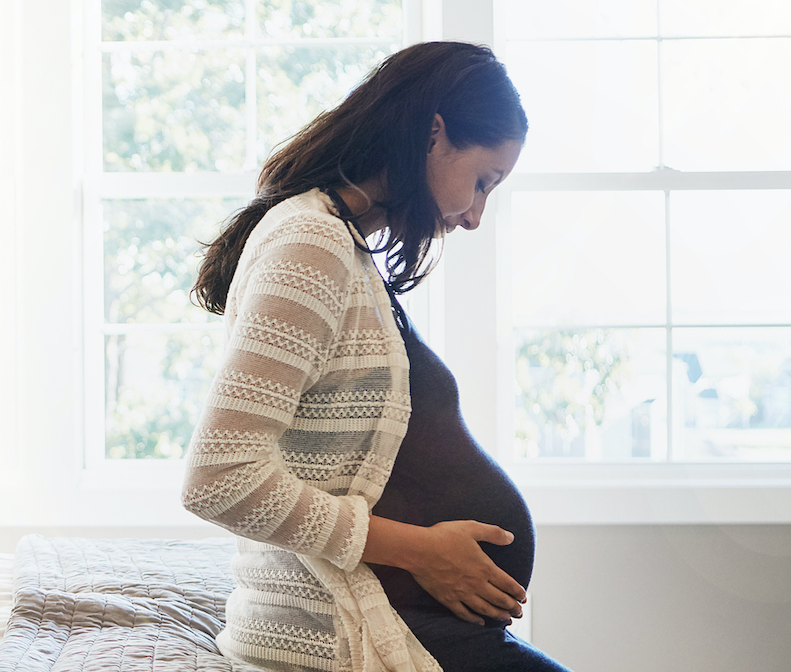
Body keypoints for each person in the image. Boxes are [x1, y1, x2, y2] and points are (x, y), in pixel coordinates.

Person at [181, 41, 570, 672]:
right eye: (481, 182)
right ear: (434, 134)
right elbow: (218, 479)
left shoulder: (342, 245)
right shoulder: (310, 243)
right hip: (349, 636)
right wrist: (420, 551)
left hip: (415, 628)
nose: (475, 216)